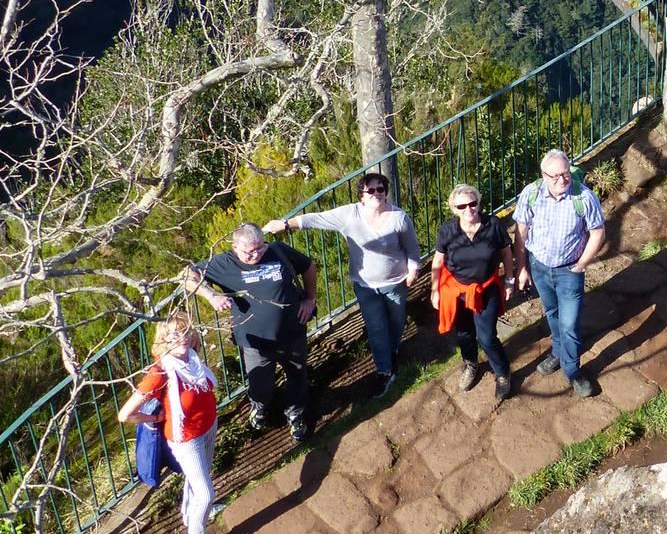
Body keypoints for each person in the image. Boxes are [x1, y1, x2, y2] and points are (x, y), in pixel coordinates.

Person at [264, 174, 420, 398]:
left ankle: (392, 350)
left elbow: (412, 248)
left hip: (395, 282)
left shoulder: (399, 217)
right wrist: (286, 224)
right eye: (371, 190)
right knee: (376, 328)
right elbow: (317, 218)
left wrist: (413, 269)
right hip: (365, 285)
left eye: (380, 189)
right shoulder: (350, 214)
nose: (376, 193)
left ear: (386, 192)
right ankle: (385, 371)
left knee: (396, 321)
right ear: (362, 196)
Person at [182, 223, 315, 441]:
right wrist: (210, 295)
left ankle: (296, 415)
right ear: (235, 247)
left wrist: (310, 299)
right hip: (255, 341)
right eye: (249, 251)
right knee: (260, 384)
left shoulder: (278, 250)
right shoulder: (224, 263)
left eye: (260, 248)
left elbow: (308, 266)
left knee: (297, 376)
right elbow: (187, 276)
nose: (256, 254)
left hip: (292, 331)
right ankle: (260, 408)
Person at [118, 313, 220, 534]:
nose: (181, 338)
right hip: (186, 439)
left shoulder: (192, 356)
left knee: (199, 480)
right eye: (173, 335)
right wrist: (153, 418)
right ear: (162, 342)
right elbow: (125, 414)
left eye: (185, 331)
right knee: (207, 493)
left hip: (208, 426)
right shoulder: (160, 373)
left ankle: (191, 512)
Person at [513, 149, 606, 398]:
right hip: (540, 267)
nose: (562, 180)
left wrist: (582, 263)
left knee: (569, 323)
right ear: (544, 175)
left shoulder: (584, 197)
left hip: (569, 270)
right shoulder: (531, 194)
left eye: (565, 174)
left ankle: (572, 370)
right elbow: (520, 232)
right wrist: (522, 268)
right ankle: (557, 351)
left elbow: (597, 232)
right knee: (552, 313)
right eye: (554, 176)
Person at [432, 184, 518, 401]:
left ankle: (502, 373)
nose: (468, 209)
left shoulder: (493, 225)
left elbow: (507, 254)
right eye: (462, 206)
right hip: (456, 291)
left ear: (479, 203)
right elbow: (438, 260)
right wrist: (435, 289)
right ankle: (471, 363)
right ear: (454, 209)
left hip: (485, 289)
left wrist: (509, 280)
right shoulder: (448, 230)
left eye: (473, 203)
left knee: (487, 336)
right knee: (464, 334)